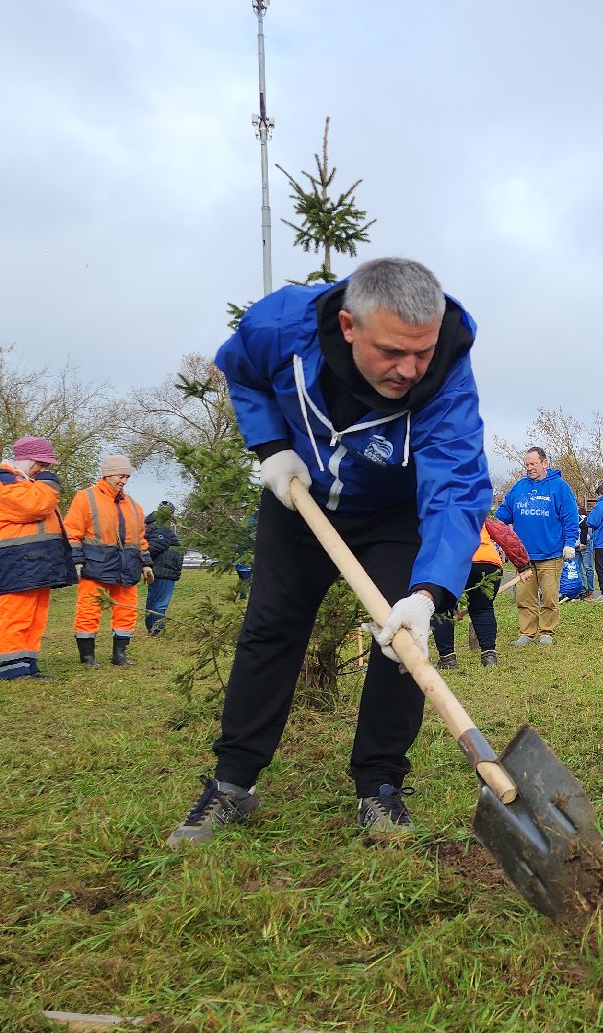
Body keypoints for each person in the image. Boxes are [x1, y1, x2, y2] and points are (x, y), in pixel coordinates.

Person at [166, 257, 491, 847]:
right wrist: (269, 446)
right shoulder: (280, 326)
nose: (409, 369)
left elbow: (457, 486)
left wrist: (427, 593)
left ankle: (380, 787)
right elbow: (240, 369)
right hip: (301, 502)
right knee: (271, 629)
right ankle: (232, 782)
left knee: (401, 642)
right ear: (348, 327)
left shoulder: (445, 374)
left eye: (421, 352)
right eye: (392, 352)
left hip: (392, 515)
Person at [0, 436, 77, 680]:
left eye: (47, 465)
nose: (44, 469)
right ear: (27, 459)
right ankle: (13, 669)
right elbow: (37, 506)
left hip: (32, 561)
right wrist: (49, 482)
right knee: (17, 616)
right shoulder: (5, 484)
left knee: (35, 617)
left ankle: (27, 665)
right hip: (16, 561)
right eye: (41, 463)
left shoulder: (24, 483)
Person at [65, 454, 151, 667]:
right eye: (121, 476)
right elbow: (72, 532)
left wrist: (146, 563)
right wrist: (77, 560)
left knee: (127, 611)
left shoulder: (134, 506)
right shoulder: (85, 498)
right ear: (107, 474)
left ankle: (119, 655)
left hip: (128, 567)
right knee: (88, 610)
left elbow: (140, 539)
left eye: (127, 477)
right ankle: (87, 657)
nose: (124, 481)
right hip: (94, 567)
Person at [494, 446, 578, 644]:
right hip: (523, 556)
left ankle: (547, 632)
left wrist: (570, 543)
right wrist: (490, 522)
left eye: (533, 463)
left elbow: (570, 518)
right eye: (527, 464)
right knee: (525, 597)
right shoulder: (520, 487)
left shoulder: (559, 487)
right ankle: (527, 632)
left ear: (544, 463)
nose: (529, 468)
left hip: (550, 554)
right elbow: (505, 512)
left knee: (549, 596)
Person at [434, 523, 504, 669]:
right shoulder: (477, 513)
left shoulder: (435, 513)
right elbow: (506, 535)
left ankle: (447, 660)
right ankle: (489, 658)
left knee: (442, 610)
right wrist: (523, 564)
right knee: (483, 609)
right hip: (487, 561)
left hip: (453, 560)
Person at [144, 501, 183, 635]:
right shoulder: (162, 528)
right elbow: (154, 547)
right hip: (164, 570)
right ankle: (157, 630)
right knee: (160, 603)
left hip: (159, 569)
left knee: (153, 600)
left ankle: (152, 628)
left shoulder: (153, 526)